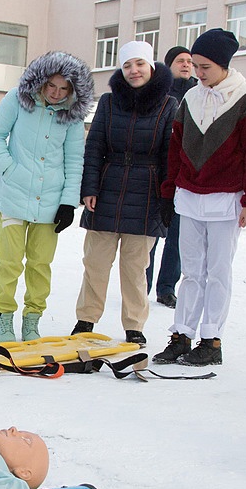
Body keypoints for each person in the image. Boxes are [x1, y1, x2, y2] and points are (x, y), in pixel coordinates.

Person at [153, 28, 246, 366]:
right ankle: (182, 335)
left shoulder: (245, 97)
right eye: (195, 66)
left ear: (223, 65)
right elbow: (176, 148)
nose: (198, 73)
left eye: (204, 67)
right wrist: (168, 190)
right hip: (189, 197)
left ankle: (211, 339)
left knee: (218, 271)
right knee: (191, 271)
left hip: (226, 200)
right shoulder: (191, 98)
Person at [70, 41, 176, 347]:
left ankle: (134, 325)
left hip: (147, 195)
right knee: (95, 262)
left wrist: (166, 197)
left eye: (140, 64)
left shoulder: (168, 105)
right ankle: (86, 318)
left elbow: (170, 154)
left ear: (151, 66)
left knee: (135, 267)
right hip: (107, 188)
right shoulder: (108, 102)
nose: (134, 70)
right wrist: (89, 188)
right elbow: (95, 146)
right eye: (128, 65)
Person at [0, 51, 94, 343]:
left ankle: (32, 319)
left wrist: (68, 203)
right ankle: (4, 318)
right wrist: (10, 170)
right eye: (52, 86)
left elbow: (75, 159)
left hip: (50, 202)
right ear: (41, 81)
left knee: (40, 264)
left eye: (64, 89)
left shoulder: (71, 117)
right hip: (13, 195)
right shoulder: (16, 100)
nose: (57, 94)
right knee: (9, 262)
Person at [147, 46, 199, 308]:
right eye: (180, 61)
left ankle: (166, 288)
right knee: (150, 234)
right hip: (156, 174)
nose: (187, 65)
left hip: (182, 176)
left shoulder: (198, 93)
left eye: (190, 61)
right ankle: (141, 284)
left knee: (177, 235)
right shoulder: (158, 93)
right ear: (168, 66)